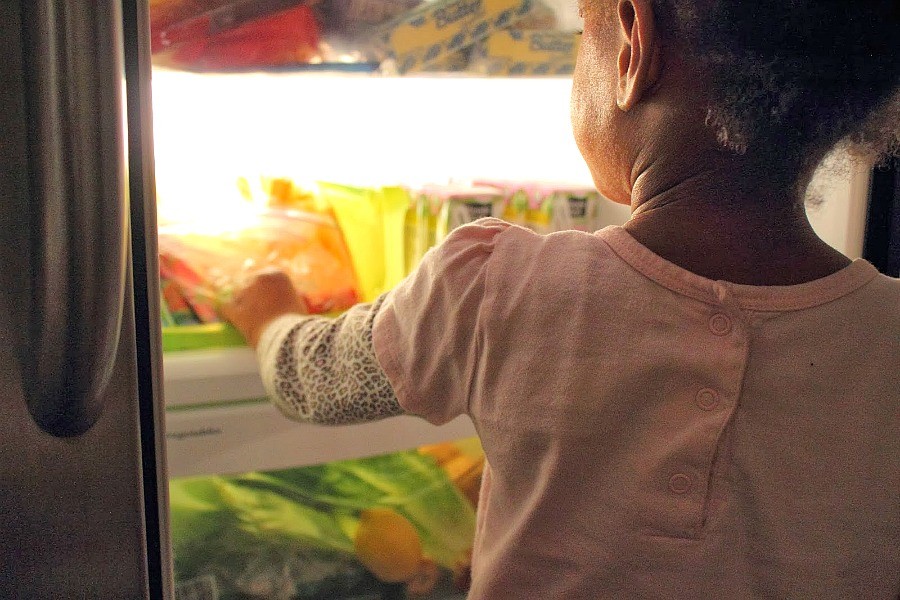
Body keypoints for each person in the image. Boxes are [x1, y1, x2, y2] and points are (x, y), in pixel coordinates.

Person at [222, 0, 900, 597]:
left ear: (633, 41)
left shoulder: (496, 284)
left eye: (584, 27)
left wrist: (269, 316)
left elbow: (315, 382)